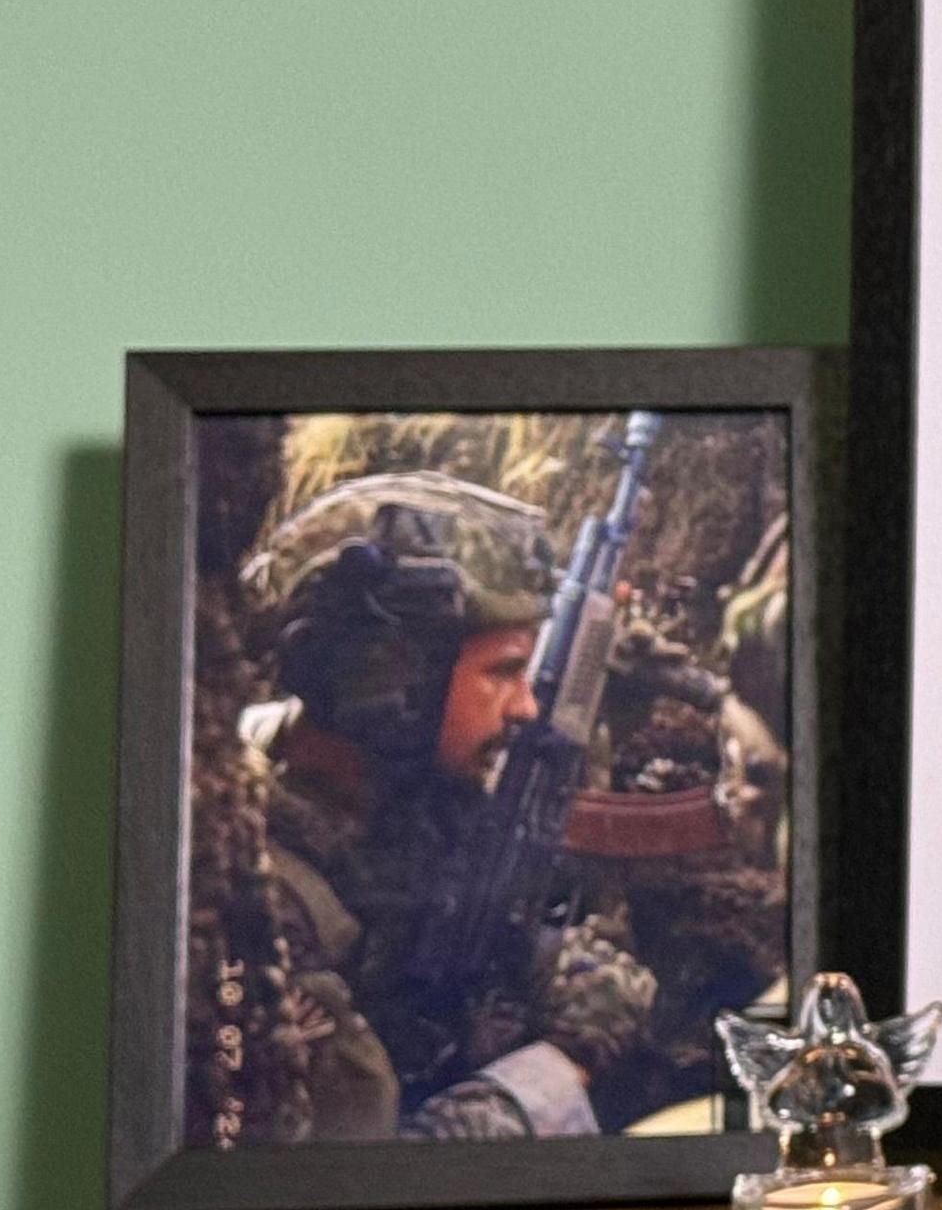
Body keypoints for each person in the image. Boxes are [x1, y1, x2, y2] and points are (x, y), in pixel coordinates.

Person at [223, 472, 662, 1140]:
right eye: (502, 672)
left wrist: (547, 965)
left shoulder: (404, 803)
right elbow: (362, 1174)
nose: (526, 706)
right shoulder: (258, 892)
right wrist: (552, 1074)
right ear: (390, 677)